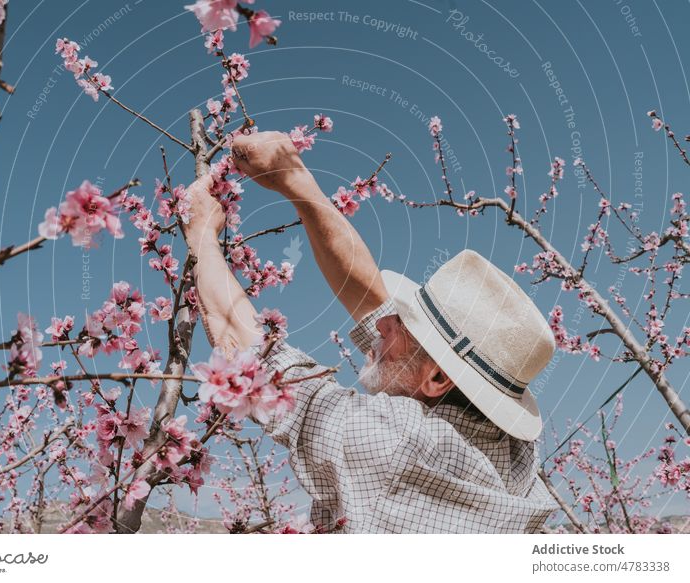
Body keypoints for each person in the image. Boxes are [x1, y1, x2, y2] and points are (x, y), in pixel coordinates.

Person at [182, 131, 560, 533]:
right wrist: (293, 177)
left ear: (436, 378)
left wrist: (202, 233)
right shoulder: (517, 457)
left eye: (401, 325)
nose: (381, 323)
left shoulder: (396, 443)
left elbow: (258, 361)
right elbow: (370, 299)